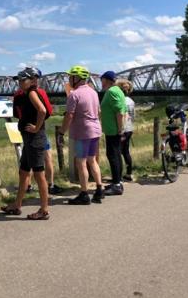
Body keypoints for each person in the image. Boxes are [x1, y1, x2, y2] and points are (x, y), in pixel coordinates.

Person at [1, 67, 50, 220]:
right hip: (29, 140)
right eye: (19, 80)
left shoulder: (32, 93)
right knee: (23, 173)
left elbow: (42, 110)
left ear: (32, 80)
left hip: (35, 140)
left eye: (23, 80)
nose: (20, 83)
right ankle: (17, 205)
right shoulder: (27, 93)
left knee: (39, 175)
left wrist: (36, 128)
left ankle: (44, 210)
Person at [13, 69, 64, 195]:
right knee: (46, 158)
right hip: (38, 132)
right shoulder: (38, 92)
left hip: (26, 130)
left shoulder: (18, 94)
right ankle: (50, 184)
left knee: (26, 162)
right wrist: (37, 126)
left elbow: (17, 113)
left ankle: (28, 186)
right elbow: (47, 111)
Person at [59, 65, 104, 205]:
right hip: (95, 130)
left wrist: (61, 132)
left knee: (81, 162)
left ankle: (84, 194)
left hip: (82, 132)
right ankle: (99, 189)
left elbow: (69, 115)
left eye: (70, 76)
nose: (69, 79)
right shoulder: (93, 92)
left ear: (76, 78)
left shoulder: (74, 94)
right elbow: (99, 111)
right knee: (92, 160)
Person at [100, 70, 127, 196]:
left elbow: (119, 112)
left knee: (113, 155)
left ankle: (117, 185)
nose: (101, 82)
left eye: (102, 80)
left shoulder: (112, 92)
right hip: (113, 130)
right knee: (116, 155)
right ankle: (117, 181)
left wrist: (120, 129)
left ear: (107, 80)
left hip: (113, 130)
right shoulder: (117, 91)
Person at [116, 79, 135, 182]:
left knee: (117, 152)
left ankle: (118, 176)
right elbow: (133, 116)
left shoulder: (120, 100)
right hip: (130, 128)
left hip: (122, 129)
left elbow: (120, 115)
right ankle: (129, 173)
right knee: (126, 151)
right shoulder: (131, 101)